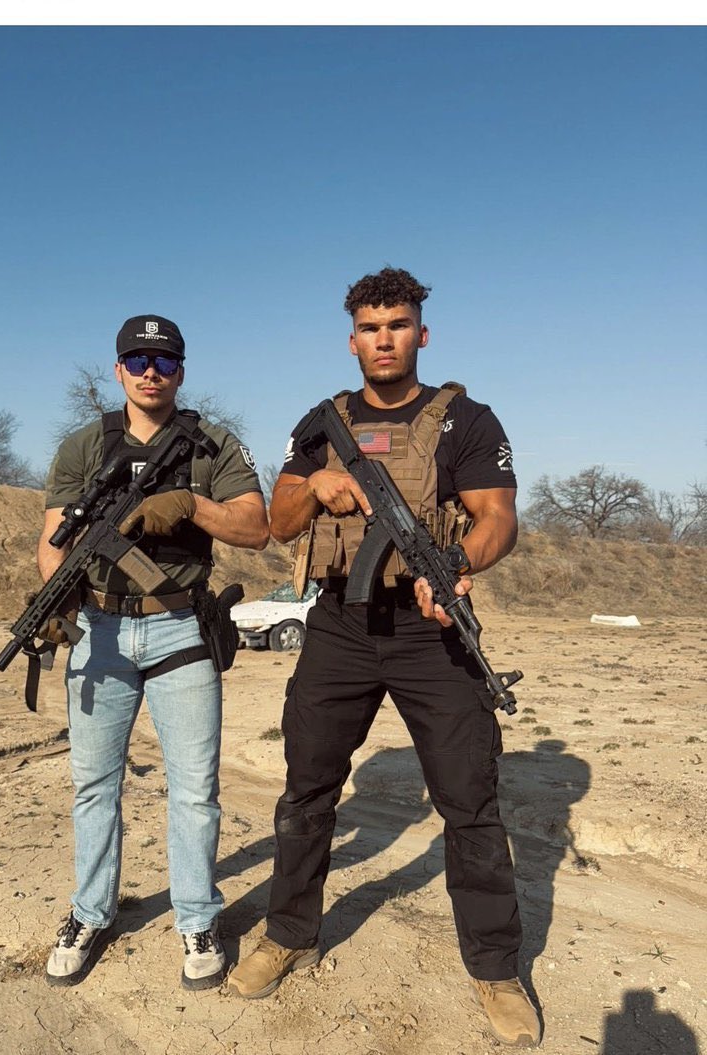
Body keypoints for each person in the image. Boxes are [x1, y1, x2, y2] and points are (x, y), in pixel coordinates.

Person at [228, 268, 541, 1048]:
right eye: (371, 327)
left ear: (421, 333)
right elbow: (278, 517)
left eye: (398, 324)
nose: (385, 339)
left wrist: (461, 564)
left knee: (469, 800)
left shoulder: (464, 418)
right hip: (338, 623)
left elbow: (497, 517)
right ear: (352, 338)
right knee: (307, 787)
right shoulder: (323, 421)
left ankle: (497, 967)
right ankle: (289, 933)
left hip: (430, 626)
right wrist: (324, 482)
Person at [41, 314, 269, 990]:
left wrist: (190, 505)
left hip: (180, 629)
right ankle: (92, 911)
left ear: (181, 372)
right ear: (118, 370)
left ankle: (197, 916)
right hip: (100, 627)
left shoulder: (212, 444)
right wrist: (53, 601)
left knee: (195, 789)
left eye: (164, 362)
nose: (150, 372)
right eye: (137, 360)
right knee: (93, 783)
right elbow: (53, 539)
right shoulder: (84, 445)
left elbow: (255, 527)